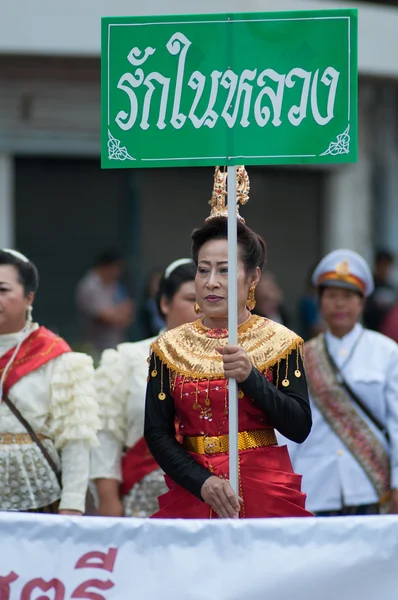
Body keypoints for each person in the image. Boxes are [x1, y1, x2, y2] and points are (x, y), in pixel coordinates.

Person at [144, 166, 312, 519]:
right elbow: (157, 433)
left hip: (264, 491)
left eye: (224, 270)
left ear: (253, 277)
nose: (211, 282)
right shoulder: (169, 348)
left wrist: (252, 378)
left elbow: (299, 427)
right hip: (194, 492)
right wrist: (201, 481)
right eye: (203, 270)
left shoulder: (280, 342)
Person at [284, 249, 398, 516]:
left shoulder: (387, 352)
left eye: (348, 297)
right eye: (331, 296)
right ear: (319, 301)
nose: (339, 305)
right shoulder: (301, 356)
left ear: (362, 302)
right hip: (315, 487)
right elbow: (289, 428)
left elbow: (396, 423)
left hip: (370, 487)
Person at [91, 259, 197, 517]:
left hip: (207, 500)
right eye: (191, 298)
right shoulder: (127, 359)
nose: (201, 308)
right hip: (140, 501)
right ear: (164, 303)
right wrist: (107, 499)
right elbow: (105, 434)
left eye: (212, 299)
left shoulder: (230, 361)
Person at [0, 249, 99, 514]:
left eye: (2, 289)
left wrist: (72, 507)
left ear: (28, 297)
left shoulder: (58, 358)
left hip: (41, 506)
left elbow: (75, 440)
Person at [75, 249, 134, 360]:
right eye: (115, 268)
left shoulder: (115, 284)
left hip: (116, 342)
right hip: (96, 347)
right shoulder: (89, 286)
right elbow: (105, 318)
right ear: (105, 267)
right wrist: (118, 314)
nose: (117, 272)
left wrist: (118, 314)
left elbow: (129, 310)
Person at [364, 249, 396, 332]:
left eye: (387, 266)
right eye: (382, 265)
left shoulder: (391, 288)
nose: (385, 269)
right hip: (370, 329)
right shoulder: (369, 286)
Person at [138, 268, 166, 339]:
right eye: (155, 281)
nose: (157, 285)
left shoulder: (171, 304)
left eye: (160, 281)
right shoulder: (146, 307)